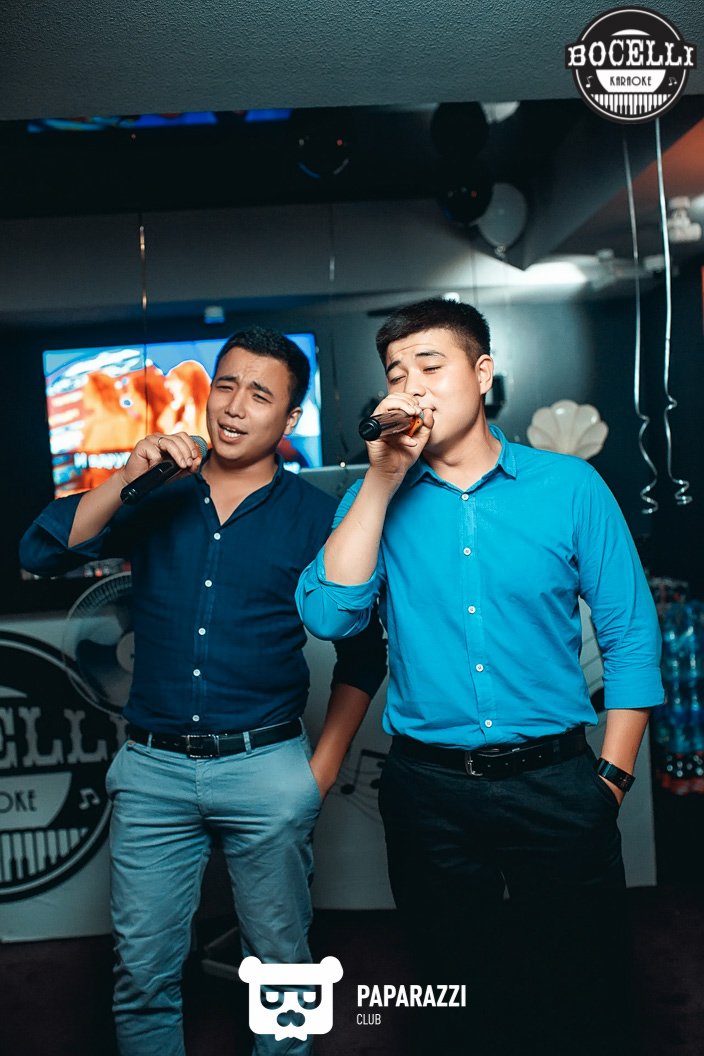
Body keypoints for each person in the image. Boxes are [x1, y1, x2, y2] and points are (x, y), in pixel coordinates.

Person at [296, 298, 664, 1056]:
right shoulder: (374, 499)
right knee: (453, 993)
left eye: (431, 365)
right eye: (397, 372)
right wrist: (381, 481)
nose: (412, 385)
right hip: (429, 792)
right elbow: (329, 616)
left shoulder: (569, 487)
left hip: (558, 782)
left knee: (586, 989)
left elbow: (630, 636)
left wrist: (611, 781)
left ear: (483, 372)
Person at [20, 326, 386, 1056]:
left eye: (260, 394)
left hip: (266, 765)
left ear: (290, 419)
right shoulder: (155, 496)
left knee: (282, 976)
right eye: (226, 385)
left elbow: (363, 652)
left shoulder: (318, 517)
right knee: (142, 977)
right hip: (152, 772)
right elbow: (41, 550)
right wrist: (127, 476)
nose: (235, 406)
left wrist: (316, 775)